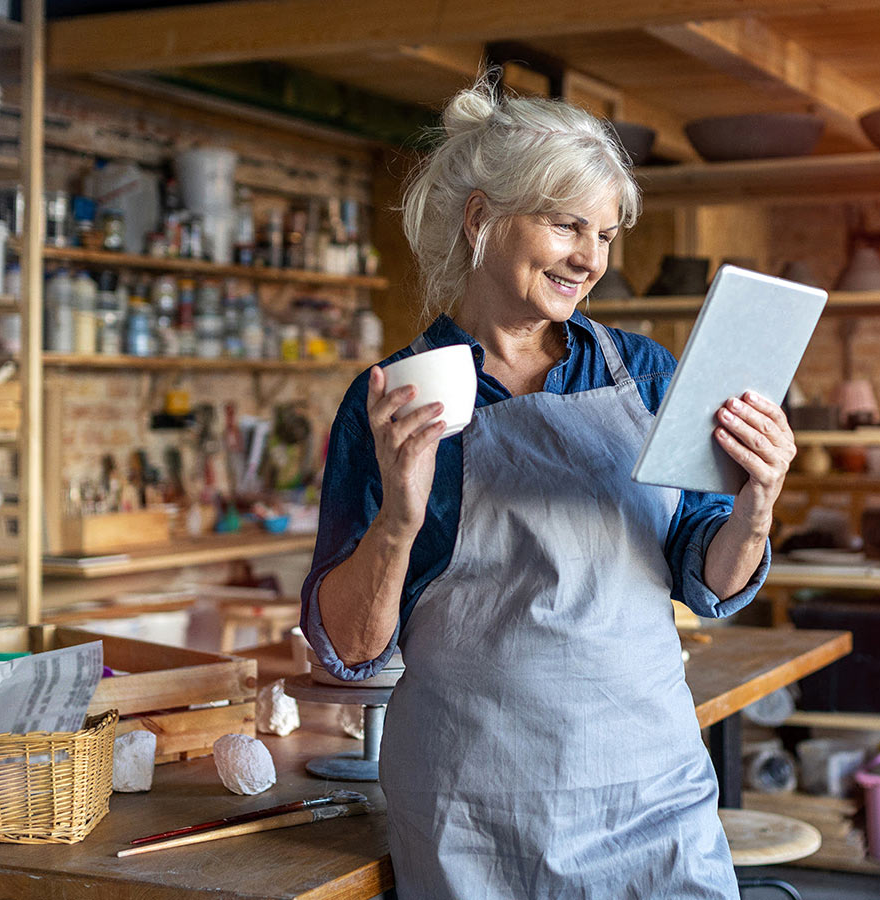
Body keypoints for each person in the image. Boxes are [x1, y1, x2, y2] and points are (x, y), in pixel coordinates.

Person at [299, 76, 796, 899]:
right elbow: (350, 649)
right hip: (476, 816)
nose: (590, 258)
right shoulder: (394, 401)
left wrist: (756, 504)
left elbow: (706, 580)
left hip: (652, 796)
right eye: (566, 224)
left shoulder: (644, 374)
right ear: (481, 218)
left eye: (604, 234)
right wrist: (398, 517)